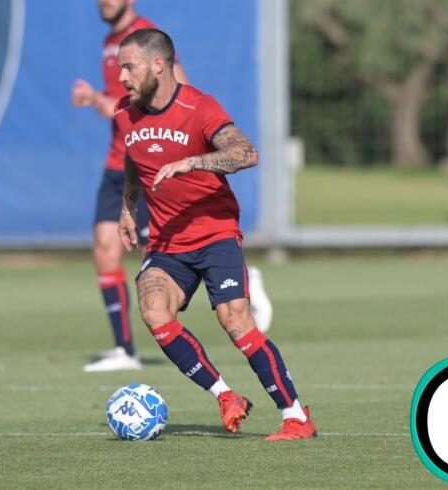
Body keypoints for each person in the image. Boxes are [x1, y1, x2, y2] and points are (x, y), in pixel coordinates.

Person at [115, 28, 316, 440]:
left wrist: (193, 162)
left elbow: (247, 152)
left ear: (158, 65)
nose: (121, 77)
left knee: (236, 323)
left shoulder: (199, 106)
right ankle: (226, 396)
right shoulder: (124, 112)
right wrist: (127, 208)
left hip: (215, 234)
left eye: (128, 67)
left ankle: (296, 416)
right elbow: (136, 160)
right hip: (167, 242)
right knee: (153, 309)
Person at [72, 0, 272, 373]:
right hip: (121, 162)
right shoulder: (111, 42)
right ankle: (124, 349)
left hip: (158, 168)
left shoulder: (145, 38)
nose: (103, 2)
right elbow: (126, 103)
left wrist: (185, 155)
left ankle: (238, 274)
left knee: (167, 250)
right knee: (105, 248)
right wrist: (99, 100)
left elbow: (173, 96)